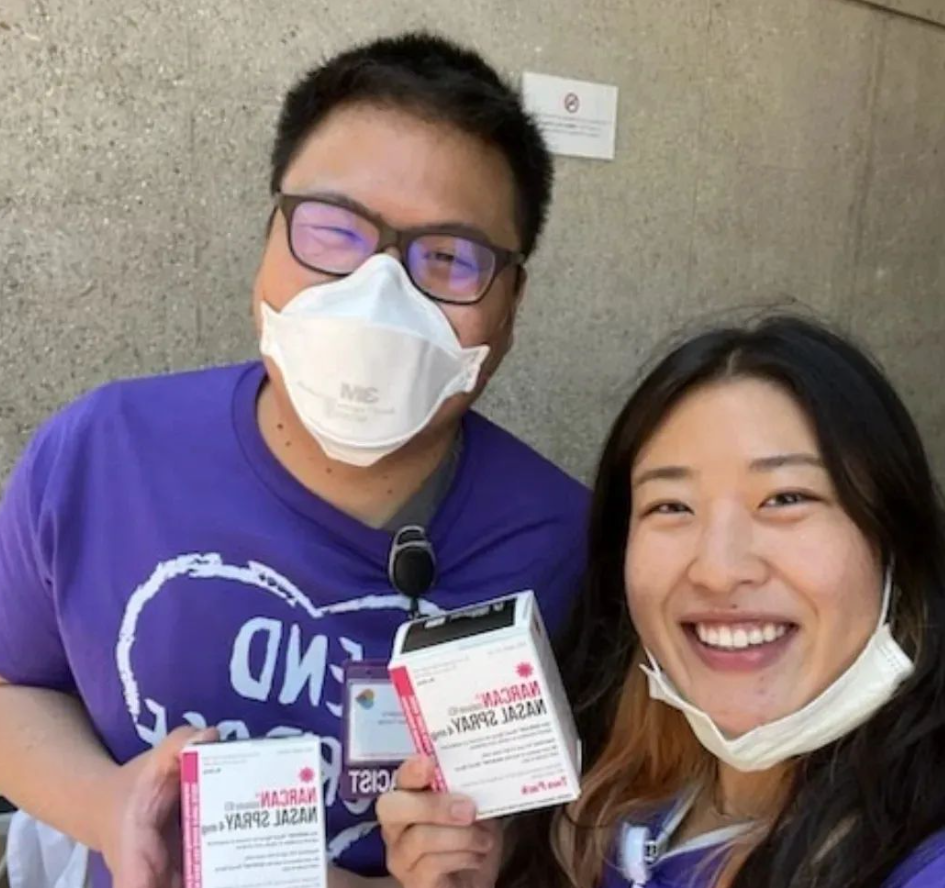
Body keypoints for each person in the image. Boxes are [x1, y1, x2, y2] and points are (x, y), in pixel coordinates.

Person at [0, 31, 589, 888]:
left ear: (511, 302)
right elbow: (12, 685)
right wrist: (113, 811)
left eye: (449, 258)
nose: (378, 295)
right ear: (270, 237)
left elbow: (600, 824)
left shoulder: (567, 546)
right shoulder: (102, 454)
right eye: (333, 231)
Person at [378, 315, 945, 888]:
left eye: (785, 498)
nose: (719, 571)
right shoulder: (616, 812)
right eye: (671, 506)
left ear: (895, 542)